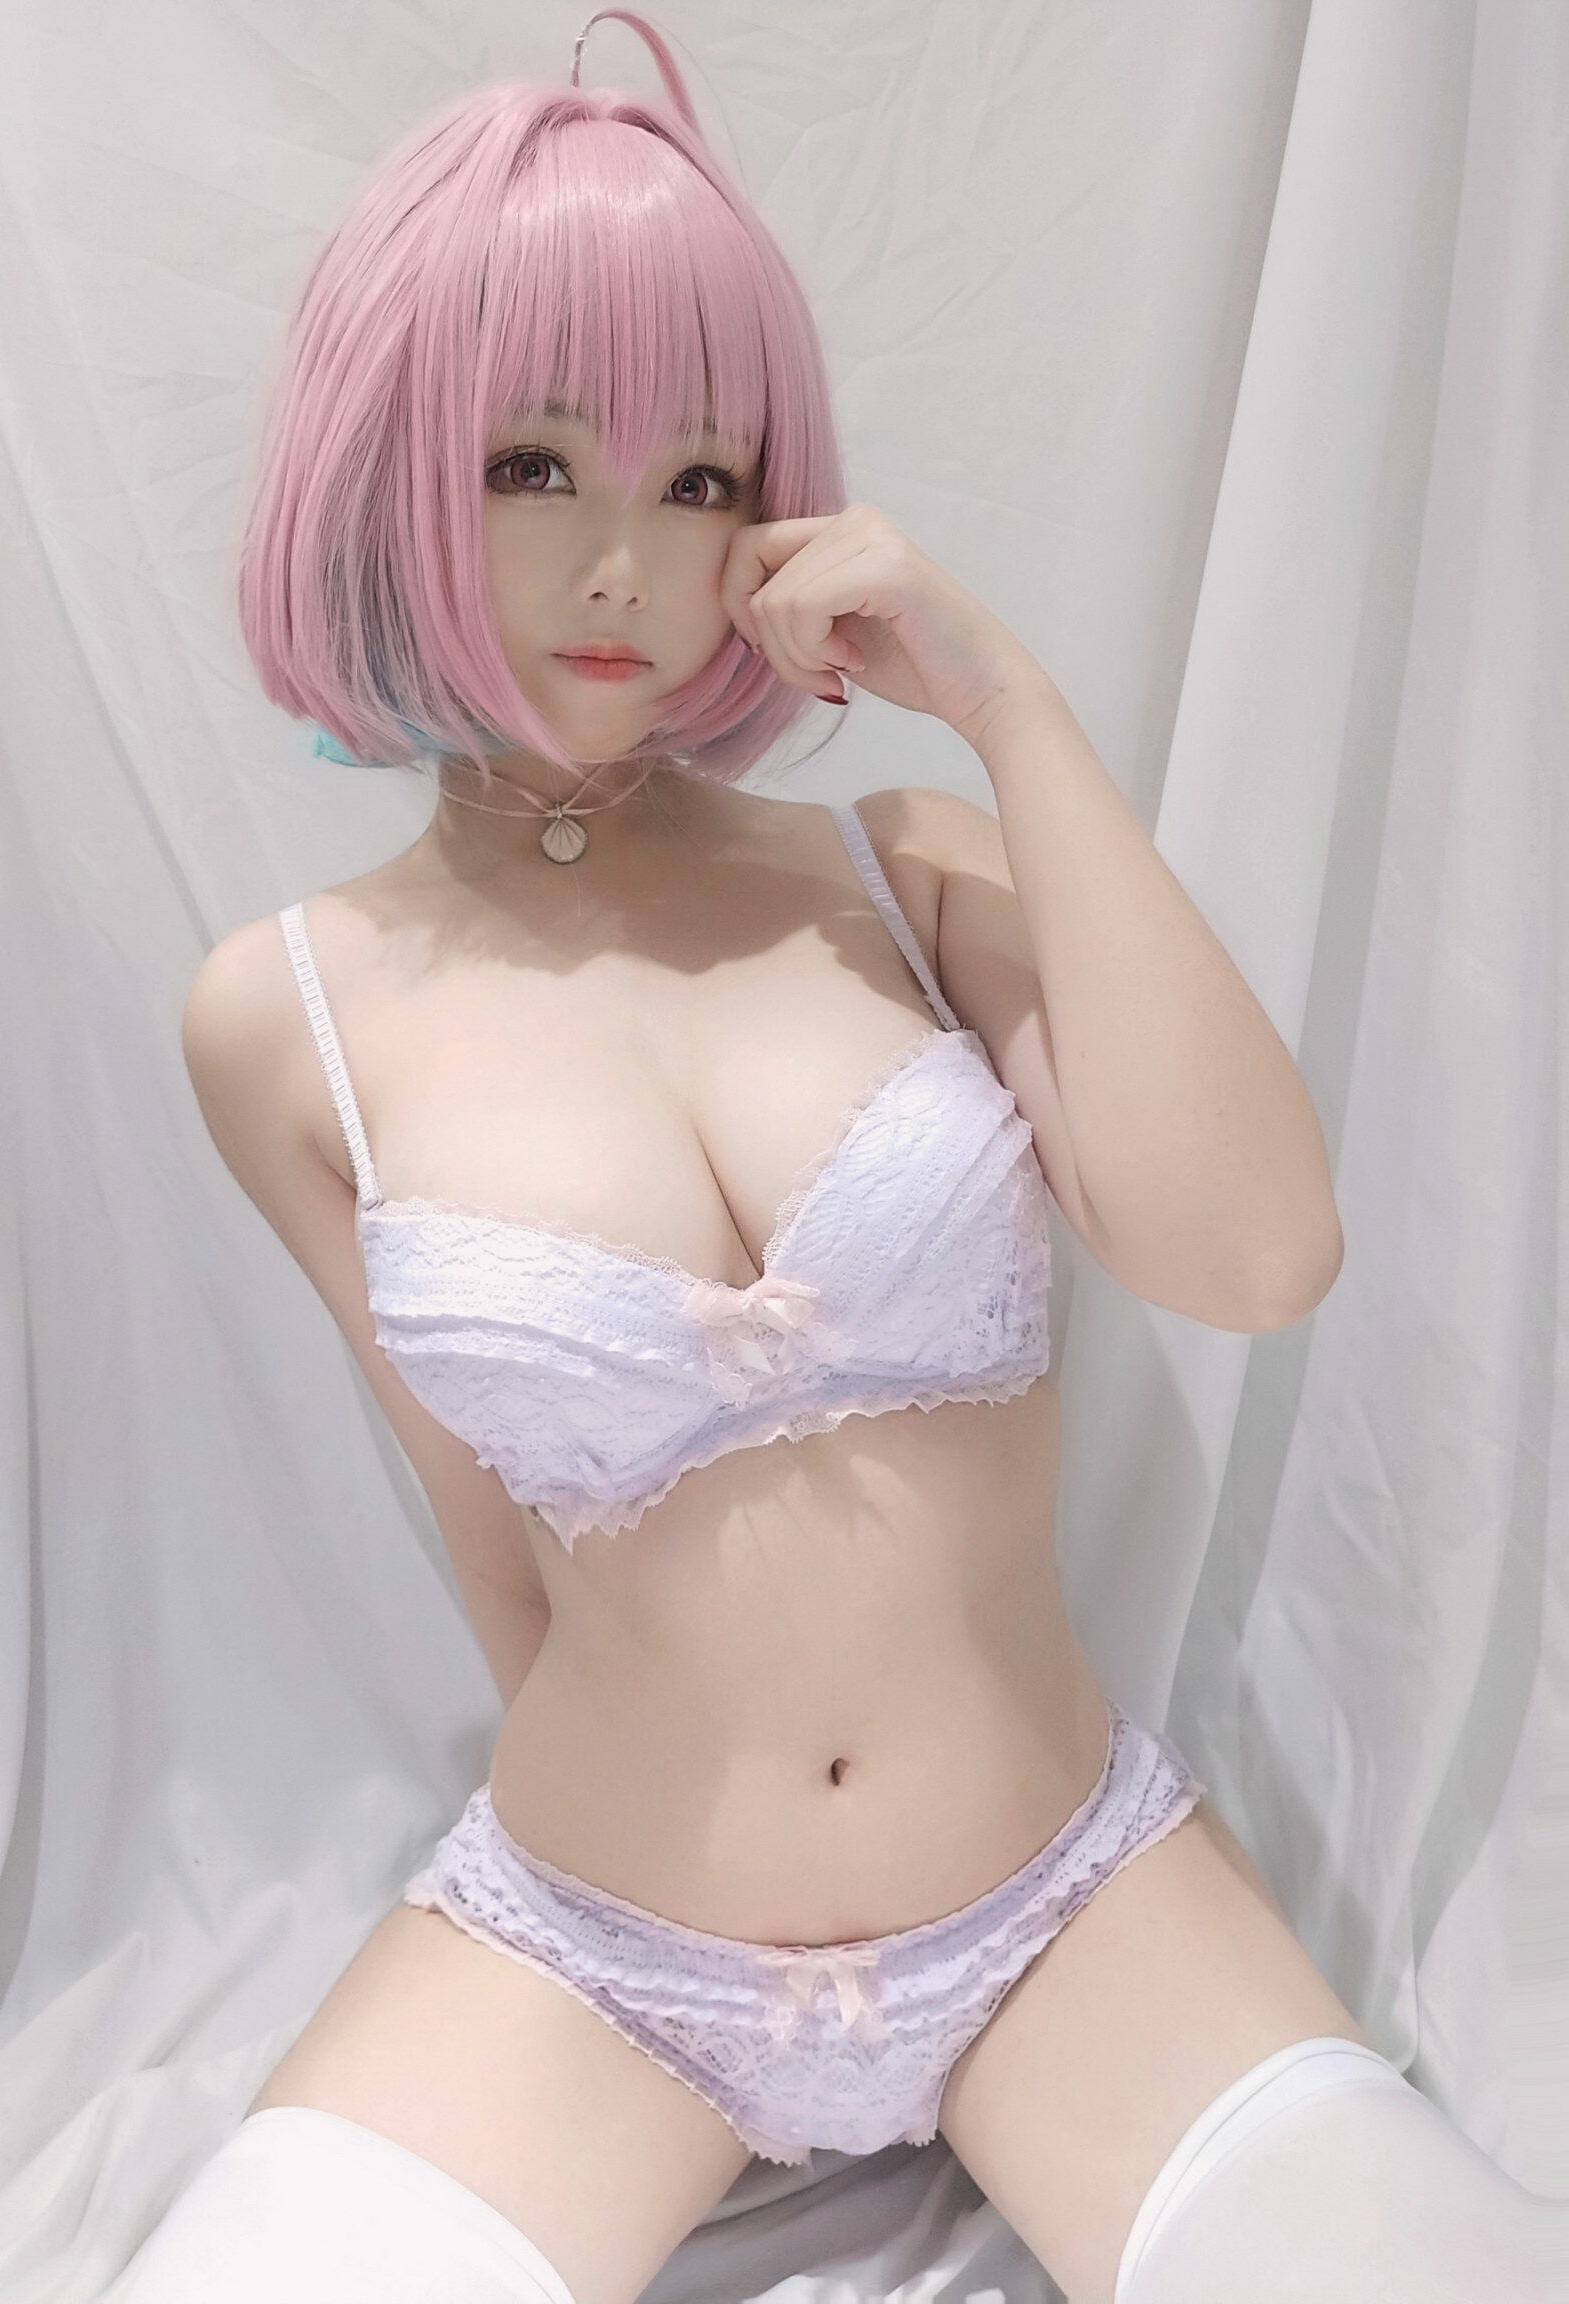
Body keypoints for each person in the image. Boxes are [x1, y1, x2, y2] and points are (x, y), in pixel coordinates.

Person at [114, 13, 1568, 2303]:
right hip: (594, 1956)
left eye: (699, 479)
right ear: (386, 467)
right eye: (532, 461)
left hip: (1068, 1911)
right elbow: (492, 1537)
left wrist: (1001, 699)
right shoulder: (281, 1019)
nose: (625, 561)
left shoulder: (901, 871)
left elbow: (1261, 1253)